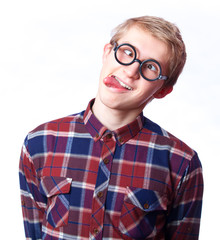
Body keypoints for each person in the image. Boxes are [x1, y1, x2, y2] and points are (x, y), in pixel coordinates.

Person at [19, 16, 203, 240]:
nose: (130, 70)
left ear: (162, 90)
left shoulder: (181, 162)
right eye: (127, 52)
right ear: (107, 52)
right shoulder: (40, 142)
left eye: (151, 67)